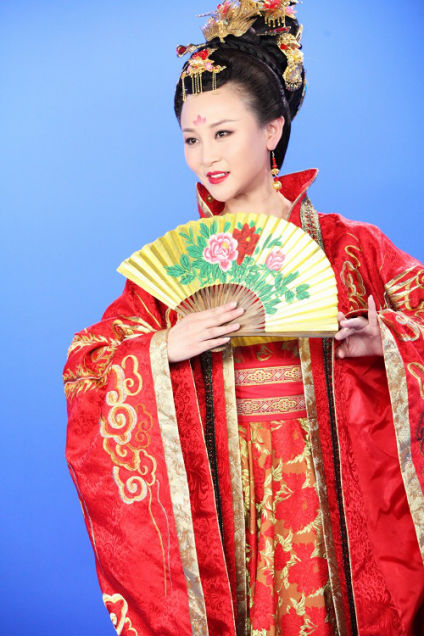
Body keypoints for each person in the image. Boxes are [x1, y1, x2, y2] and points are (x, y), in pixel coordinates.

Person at [64, 2, 424, 635]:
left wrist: (387, 342)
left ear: (273, 129)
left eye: (224, 132)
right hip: (224, 493)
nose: (206, 156)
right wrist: (162, 349)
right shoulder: (174, 269)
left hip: (333, 489)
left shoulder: (352, 248)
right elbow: (86, 369)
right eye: (191, 139)